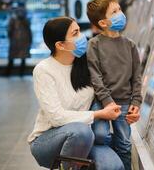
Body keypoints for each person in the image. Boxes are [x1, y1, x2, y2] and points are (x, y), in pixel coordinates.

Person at [28, 17, 125, 170]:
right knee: (81, 132)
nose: (82, 37)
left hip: (87, 137)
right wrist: (98, 114)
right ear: (60, 45)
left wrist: (134, 105)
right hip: (48, 140)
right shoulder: (44, 70)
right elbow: (56, 117)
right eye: (75, 33)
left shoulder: (86, 62)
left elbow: (111, 86)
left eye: (79, 30)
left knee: (113, 166)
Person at [86, 0, 142, 170]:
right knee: (100, 134)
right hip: (103, 103)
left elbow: (137, 77)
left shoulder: (130, 45)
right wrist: (107, 102)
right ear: (103, 23)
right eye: (115, 11)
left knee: (125, 144)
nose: (121, 14)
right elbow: (95, 77)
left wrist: (136, 102)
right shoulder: (94, 45)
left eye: (120, 9)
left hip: (125, 102)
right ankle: (107, 158)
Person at [7, 8, 32, 76]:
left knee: (11, 58)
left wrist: (10, 38)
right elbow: (29, 31)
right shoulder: (26, 20)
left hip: (14, 41)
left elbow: (9, 31)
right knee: (23, 58)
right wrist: (30, 41)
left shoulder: (12, 20)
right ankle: (21, 74)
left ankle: (8, 73)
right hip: (25, 40)